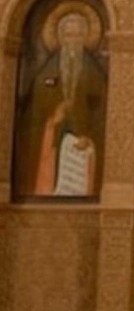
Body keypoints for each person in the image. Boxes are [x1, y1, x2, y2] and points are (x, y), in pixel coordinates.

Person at [14, 11, 106, 197]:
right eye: (68, 35)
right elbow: (32, 116)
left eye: (78, 35)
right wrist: (52, 121)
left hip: (82, 151)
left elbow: (105, 112)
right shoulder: (45, 73)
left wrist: (90, 137)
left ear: (85, 38)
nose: (73, 41)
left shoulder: (95, 72)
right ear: (60, 37)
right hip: (53, 144)